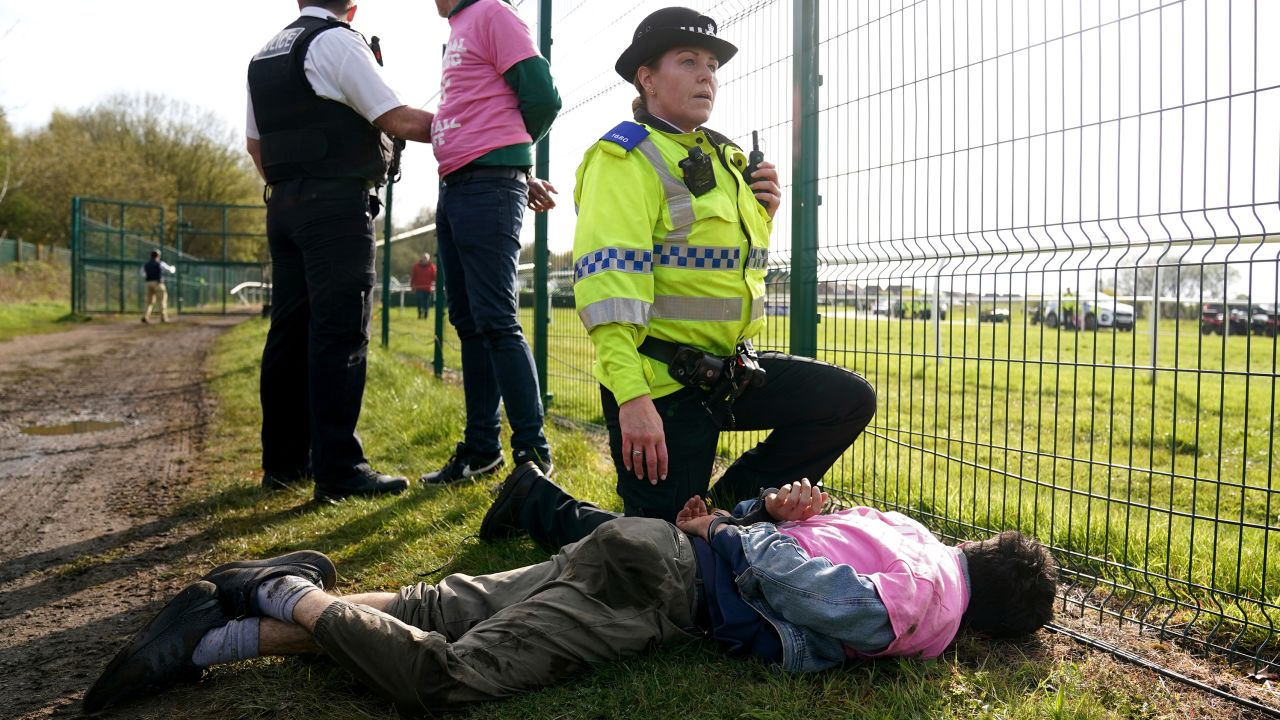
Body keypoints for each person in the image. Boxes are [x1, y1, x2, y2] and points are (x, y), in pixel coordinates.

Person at [83, 462, 1058, 714]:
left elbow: (806, 529)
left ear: (978, 542)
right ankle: (276, 588)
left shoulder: (906, 529)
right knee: (446, 679)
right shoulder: (935, 604)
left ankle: (208, 639)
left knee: (439, 604)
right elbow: (838, 605)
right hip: (662, 590)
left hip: (642, 546)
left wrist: (738, 523)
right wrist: (736, 542)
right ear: (993, 625)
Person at [533, 7, 876, 546]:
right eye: (688, 61)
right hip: (662, 386)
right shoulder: (623, 159)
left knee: (846, 399)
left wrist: (764, 215)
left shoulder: (724, 156)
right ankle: (535, 502)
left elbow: (722, 268)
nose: (705, 76)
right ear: (646, 77)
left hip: (728, 375)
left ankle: (724, 510)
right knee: (663, 553)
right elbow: (608, 292)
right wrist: (631, 400)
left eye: (712, 64)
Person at [248, 0, 436, 502]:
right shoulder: (337, 42)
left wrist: (292, 189)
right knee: (340, 334)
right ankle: (339, 470)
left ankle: (285, 464)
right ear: (352, 7)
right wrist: (472, 130)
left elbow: (255, 147)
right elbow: (397, 118)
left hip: (283, 204)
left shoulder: (266, 54)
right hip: (334, 206)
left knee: (289, 333)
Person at [418, 0, 562, 486]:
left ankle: (532, 456)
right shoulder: (460, 25)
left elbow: (541, 95)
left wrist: (512, 158)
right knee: (469, 322)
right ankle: (482, 449)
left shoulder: (492, 11)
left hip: (486, 185)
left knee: (498, 322)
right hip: (455, 183)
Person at [140, 250, 175, 324]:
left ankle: (145, 316)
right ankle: (163, 318)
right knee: (162, 301)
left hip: (148, 283)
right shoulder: (160, 263)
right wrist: (173, 268)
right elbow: (170, 270)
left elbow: (142, 273)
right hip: (158, 283)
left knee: (148, 302)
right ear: (158, 256)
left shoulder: (146, 264)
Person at [409, 252, 437, 319]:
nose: (425, 259)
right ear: (422, 258)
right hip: (419, 288)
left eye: (426, 258)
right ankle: (419, 314)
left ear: (428, 259)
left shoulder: (432, 267)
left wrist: (437, 284)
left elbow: (434, 277)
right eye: (424, 258)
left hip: (428, 288)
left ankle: (426, 315)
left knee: (426, 303)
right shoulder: (416, 266)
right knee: (419, 301)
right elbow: (413, 276)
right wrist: (412, 285)